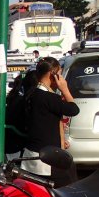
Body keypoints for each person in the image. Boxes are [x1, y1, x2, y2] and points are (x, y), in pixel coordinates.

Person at [23, 57, 79, 186]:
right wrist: (64, 88)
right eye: (59, 73)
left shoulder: (31, 93)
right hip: (48, 158)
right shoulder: (49, 97)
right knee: (66, 187)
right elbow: (74, 109)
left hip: (31, 154)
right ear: (52, 74)